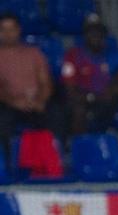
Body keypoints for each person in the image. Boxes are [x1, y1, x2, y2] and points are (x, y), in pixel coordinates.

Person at [0, 13, 52, 170]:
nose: (8, 34)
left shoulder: (34, 53)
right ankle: (11, 165)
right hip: (8, 103)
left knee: (56, 114)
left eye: (12, 29)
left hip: (36, 102)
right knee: (3, 120)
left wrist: (40, 101)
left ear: (19, 30)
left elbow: (46, 82)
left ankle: (49, 165)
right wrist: (14, 102)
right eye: (3, 29)